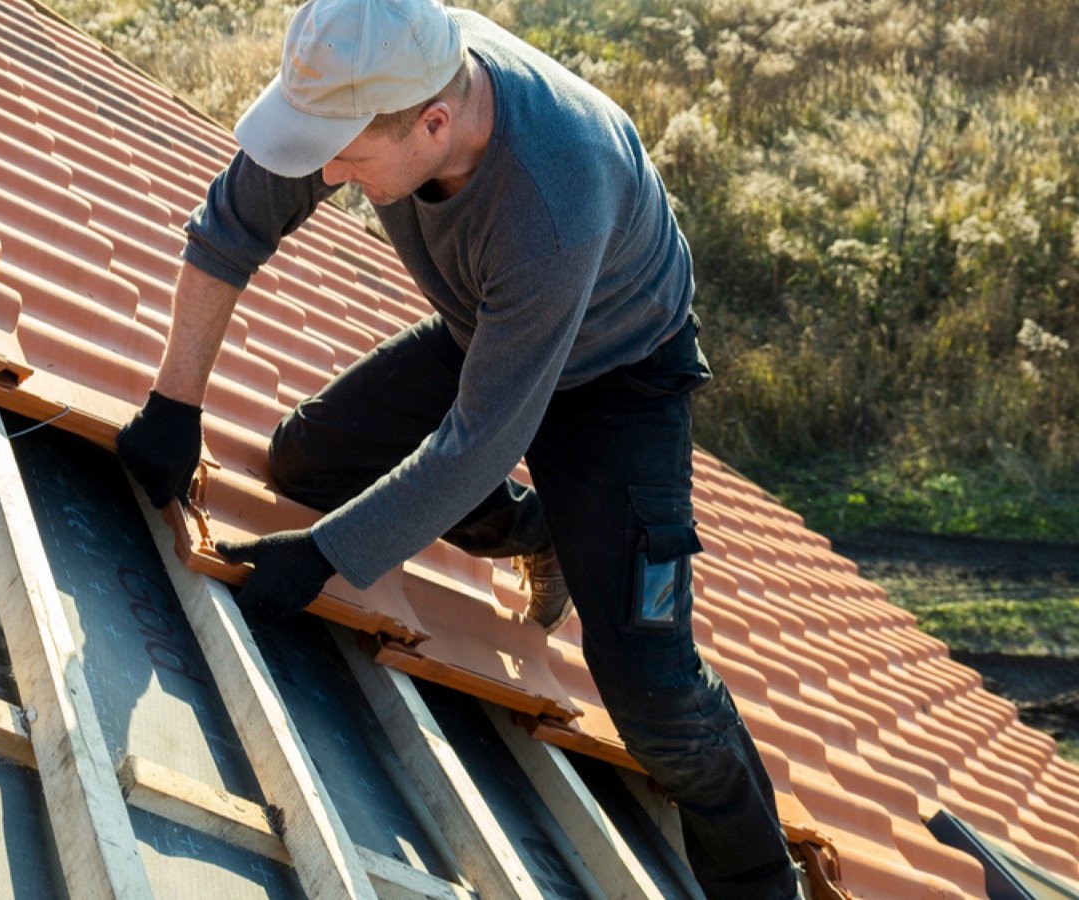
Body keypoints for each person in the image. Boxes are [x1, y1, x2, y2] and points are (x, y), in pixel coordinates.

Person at [116, 0, 802, 895]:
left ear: (435, 125)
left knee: (650, 686)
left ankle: (762, 882)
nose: (327, 173)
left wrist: (323, 557)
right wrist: (175, 403)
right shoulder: (375, 71)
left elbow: (479, 443)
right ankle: (539, 532)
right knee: (309, 464)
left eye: (347, 158)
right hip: (493, 324)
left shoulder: (554, 197)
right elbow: (231, 226)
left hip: (619, 374)